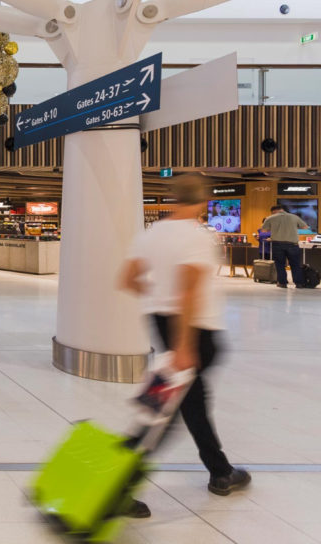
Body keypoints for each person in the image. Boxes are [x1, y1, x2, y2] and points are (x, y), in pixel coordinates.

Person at [120, 174, 250, 517]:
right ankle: (119, 484)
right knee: (163, 413)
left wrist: (157, 301)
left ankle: (220, 471)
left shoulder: (151, 234)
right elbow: (188, 291)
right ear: (203, 201)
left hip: (164, 325)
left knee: (187, 402)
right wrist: (184, 344)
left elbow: (128, 278)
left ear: (172, 198)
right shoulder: (196, 236)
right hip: (193, 332)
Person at [261, 204, 309, 288]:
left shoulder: (270, 218)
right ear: (282, 209)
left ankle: (282, 283)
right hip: (293, 245)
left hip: (277, 244)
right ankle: (299, 283)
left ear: (274, 211)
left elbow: (264, 230)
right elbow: (305, 227)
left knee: (280, 264)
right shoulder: (294, 217)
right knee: (295, 264)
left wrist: (275, 228)